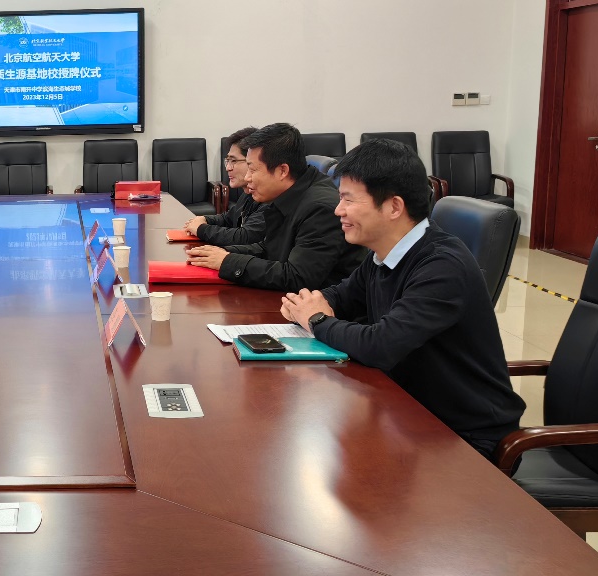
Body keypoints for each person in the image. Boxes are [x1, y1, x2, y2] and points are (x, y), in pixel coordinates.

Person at [279, 139, 526, 460]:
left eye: (348, 199)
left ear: (394, 207)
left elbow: (380, 345)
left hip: (464, 438)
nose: (338, 210)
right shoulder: (383, 254)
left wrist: (315, 320)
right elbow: (341, 296)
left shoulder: (441, 265)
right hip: (407, 413)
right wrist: (306, 305)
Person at [187, 123, 365, 291]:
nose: (247, 178)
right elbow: (269, 248)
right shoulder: (286, 193)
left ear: (282, 171)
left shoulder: (319, 208)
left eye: (253, 170)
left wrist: (228, 262)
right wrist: (222, 253)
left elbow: (297, 277)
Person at [183, 127, 266, 246]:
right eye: (227, 161)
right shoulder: (248, 193)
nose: (228, 168)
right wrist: (205, 219)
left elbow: (245, 237)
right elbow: (229, 218)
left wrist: (201, 229)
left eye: (233, 161)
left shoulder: (267, 198)